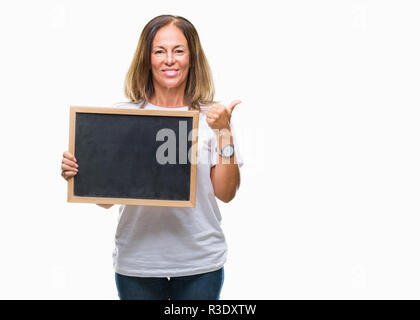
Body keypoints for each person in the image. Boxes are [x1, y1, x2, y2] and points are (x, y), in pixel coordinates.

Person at [61, 15, 243, 300]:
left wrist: (224, 133)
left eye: (179, 50)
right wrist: (82, 173)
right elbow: (107, 200)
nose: (169, 59)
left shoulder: (214, 118)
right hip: (138, 264)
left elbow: (226, 193)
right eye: (160, 51)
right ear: (147, 59)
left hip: (200, 263)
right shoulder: (123, 118)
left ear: (191, 58)